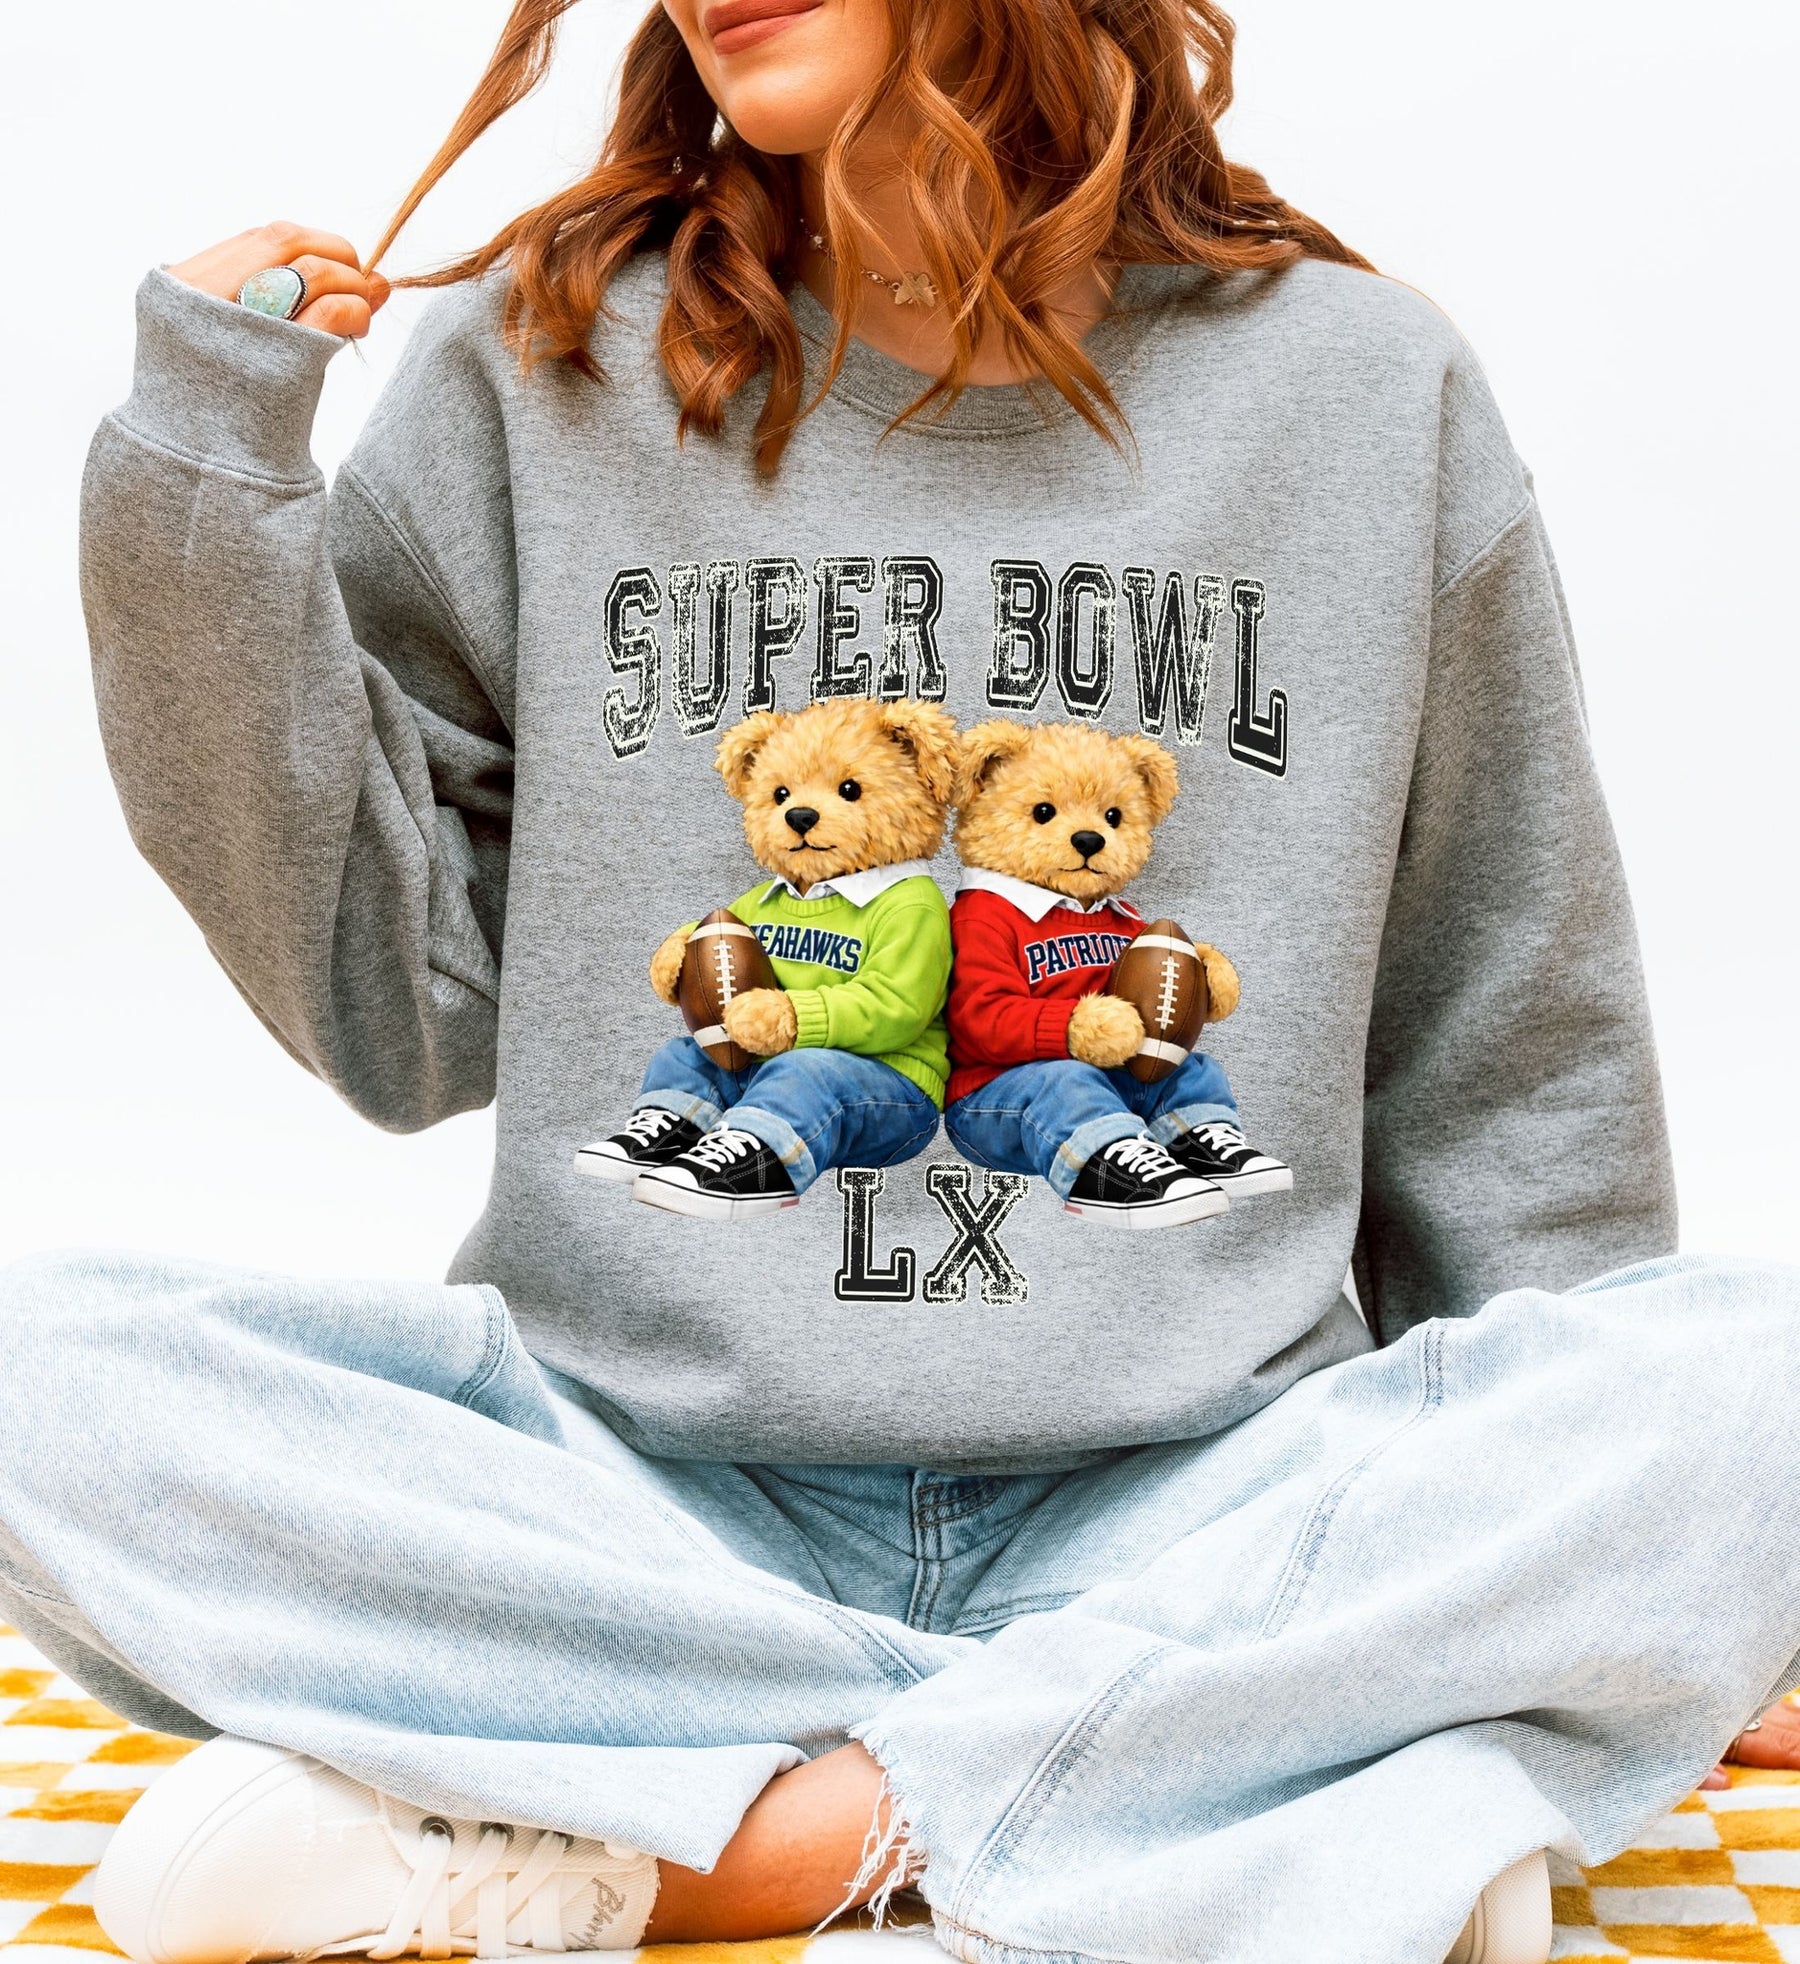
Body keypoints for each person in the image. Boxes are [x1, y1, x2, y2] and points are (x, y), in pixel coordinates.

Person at [4, 0, 1797, 1959]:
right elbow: (393, 1003)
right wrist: (201, 474)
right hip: (641, 1505)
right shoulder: (539, 364)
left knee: (1758, 1388)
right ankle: (1258, 1782)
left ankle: (707, 1843)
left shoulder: (1364, 392)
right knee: (40, 1375)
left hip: (1200, 1498)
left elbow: (1503, 1030)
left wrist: (1643, 1550)